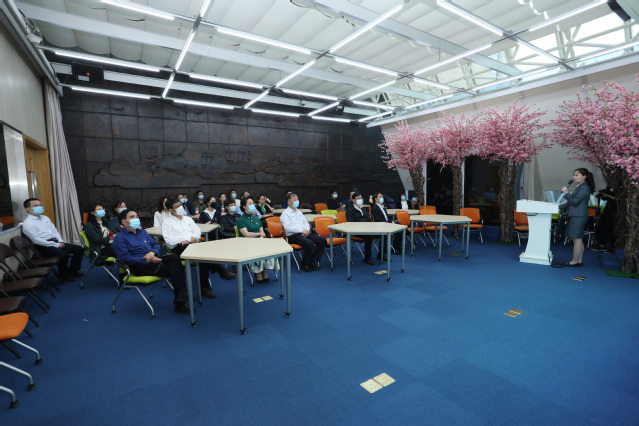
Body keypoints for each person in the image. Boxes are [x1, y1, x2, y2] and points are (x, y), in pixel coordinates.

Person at [112, 209, 190, 313]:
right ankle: (181, 302)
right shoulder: (120, 238)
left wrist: (152, 253)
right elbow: (125, 258)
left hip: (154, 259)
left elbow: (155, 245)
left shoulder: (143, 232)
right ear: (124, 222)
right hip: (140, 265)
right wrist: (146, 259)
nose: (136, 219)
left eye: (137, 216)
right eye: (132, 217)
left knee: (175, 258)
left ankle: (182, 298)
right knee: (176, 269)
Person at [161, 198, 235, 298]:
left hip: (194, 245)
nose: (180, 207)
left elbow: (197, 231)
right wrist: (188, 239)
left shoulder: (188, 219)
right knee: (201, 254)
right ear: (171, 210)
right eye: (177, 206)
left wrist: (194, 238)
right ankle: (220, 272)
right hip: (179, 248)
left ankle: (206, 287)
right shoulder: (167, 222)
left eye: (180, 205)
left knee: (201, 258)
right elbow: (169, 241)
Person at [22, 198, 85, 282]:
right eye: (36, 205)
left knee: (80, 249)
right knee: (64, 255)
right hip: (42, 246)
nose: (39, 207)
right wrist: (56, 245)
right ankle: (64, 275)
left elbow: (54, 231)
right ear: (27, 209)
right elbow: (36, 240)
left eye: (40, 205)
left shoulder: (45, 218)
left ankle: (73, 271)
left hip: (55, 242)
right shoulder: (28, 223)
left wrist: (60, 241)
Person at [557, 167, 595, 267]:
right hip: (577, 215)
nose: (574, 177)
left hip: (579, 215)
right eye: (574, 175)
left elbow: (574, 202)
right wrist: (557, 207)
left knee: (576, 239)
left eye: (577, 175)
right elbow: (570, 202)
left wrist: (566, 193)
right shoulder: (579, 187)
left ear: (584, 176)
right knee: (577, 239)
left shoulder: (584, 188)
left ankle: (574, 261)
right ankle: (579, 260)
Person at [236, 196, 279, 283]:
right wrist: (259, 235)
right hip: (247, 242)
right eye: (250, 203)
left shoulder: (256, 218)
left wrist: (260, 238)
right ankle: (258, 273)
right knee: (257, 250)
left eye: (253, 203)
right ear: (244, 207)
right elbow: (246, 234)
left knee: (270, 250)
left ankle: (265, 273)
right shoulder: (240, 220)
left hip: (259, 240)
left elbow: (262, 232)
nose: (252, 205)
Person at [281, 193, 326, 272]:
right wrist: (301, 231)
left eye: (297, 199)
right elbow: (288, 228)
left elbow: (306, 223)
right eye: (294, 199)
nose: (297, 201)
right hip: (293, 236)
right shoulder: (285, 214)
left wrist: (306, 230)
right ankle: (305, 264)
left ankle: (311, 261)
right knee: (309, 243)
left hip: (304, 233)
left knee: (322, 241)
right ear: (289, 202)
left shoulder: (299, 212)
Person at [346, 192, 376, 265]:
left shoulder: (363, 209)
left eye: (361, 198)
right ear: (353, 200)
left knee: (382, 234)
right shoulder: (350, 210)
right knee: (369, 237)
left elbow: (368, 220)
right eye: (358, 198)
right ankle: (367, 258)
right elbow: (351, 223)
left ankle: (381, 255)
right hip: (356, 231)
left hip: (366, 229)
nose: (360, 200)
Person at [370, 192, 404, 256]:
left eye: (382, 196)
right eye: (380, 197)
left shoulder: (383, 207)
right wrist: (389, 223)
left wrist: (392, 221)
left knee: (402, 229)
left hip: (387, 224)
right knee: (392, 233)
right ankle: (384, 253)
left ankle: (396, 248)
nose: (382, 198)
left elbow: (387, 217)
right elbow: (378, 220)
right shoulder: (374, 208)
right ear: (376, 199)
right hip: (381, 226)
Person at [593, 184, 617, 252]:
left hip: (614, 213)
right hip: (606, 212)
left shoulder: (619, 190)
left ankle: (612, 246)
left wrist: (607, 195)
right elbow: (604, 198)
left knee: (612, 229)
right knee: (601, 227)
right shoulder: (608, 189)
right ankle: (602, 244)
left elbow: (617, 199)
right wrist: (603, 195)